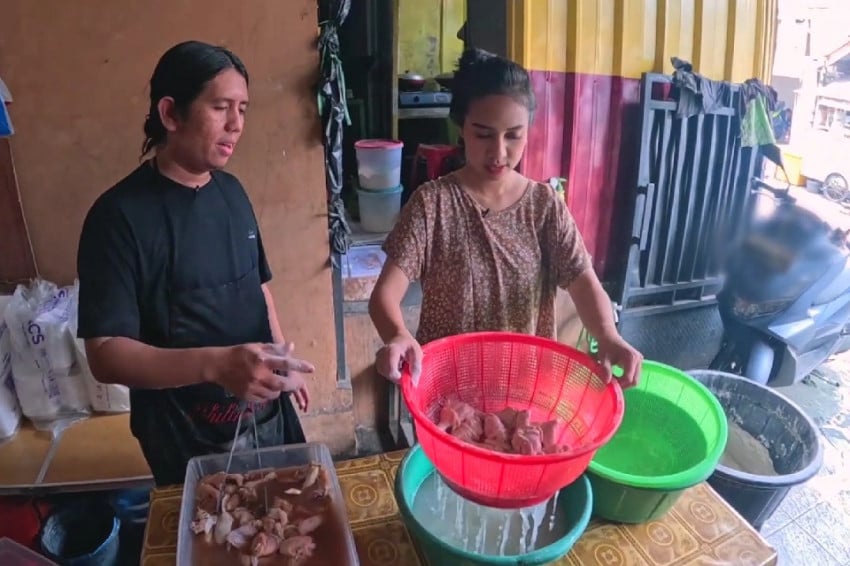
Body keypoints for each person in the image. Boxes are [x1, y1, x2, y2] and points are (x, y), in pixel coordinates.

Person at [76, 40, 315, 487]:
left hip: (265, 413)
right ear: (171, 114)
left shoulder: (233, 193)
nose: (236, 124)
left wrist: (282, 357)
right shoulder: (118, 217)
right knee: (214, 526)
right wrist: (218, 365)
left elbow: (258, 287)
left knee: (285, 511)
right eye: (221, 107)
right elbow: (106, 354)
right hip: (184, 433)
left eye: (242, 109)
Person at [369, 48, 643, 387]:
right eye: (483, 134)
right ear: (462, 127)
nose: (498, 152)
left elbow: (583, 282)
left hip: (526, 389)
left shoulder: (544, 207)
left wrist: (608, 336)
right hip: (447, 389)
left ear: (528, 131)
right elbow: (384, 296)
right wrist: (398, 334)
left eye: (513, 135)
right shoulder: (432, 205)